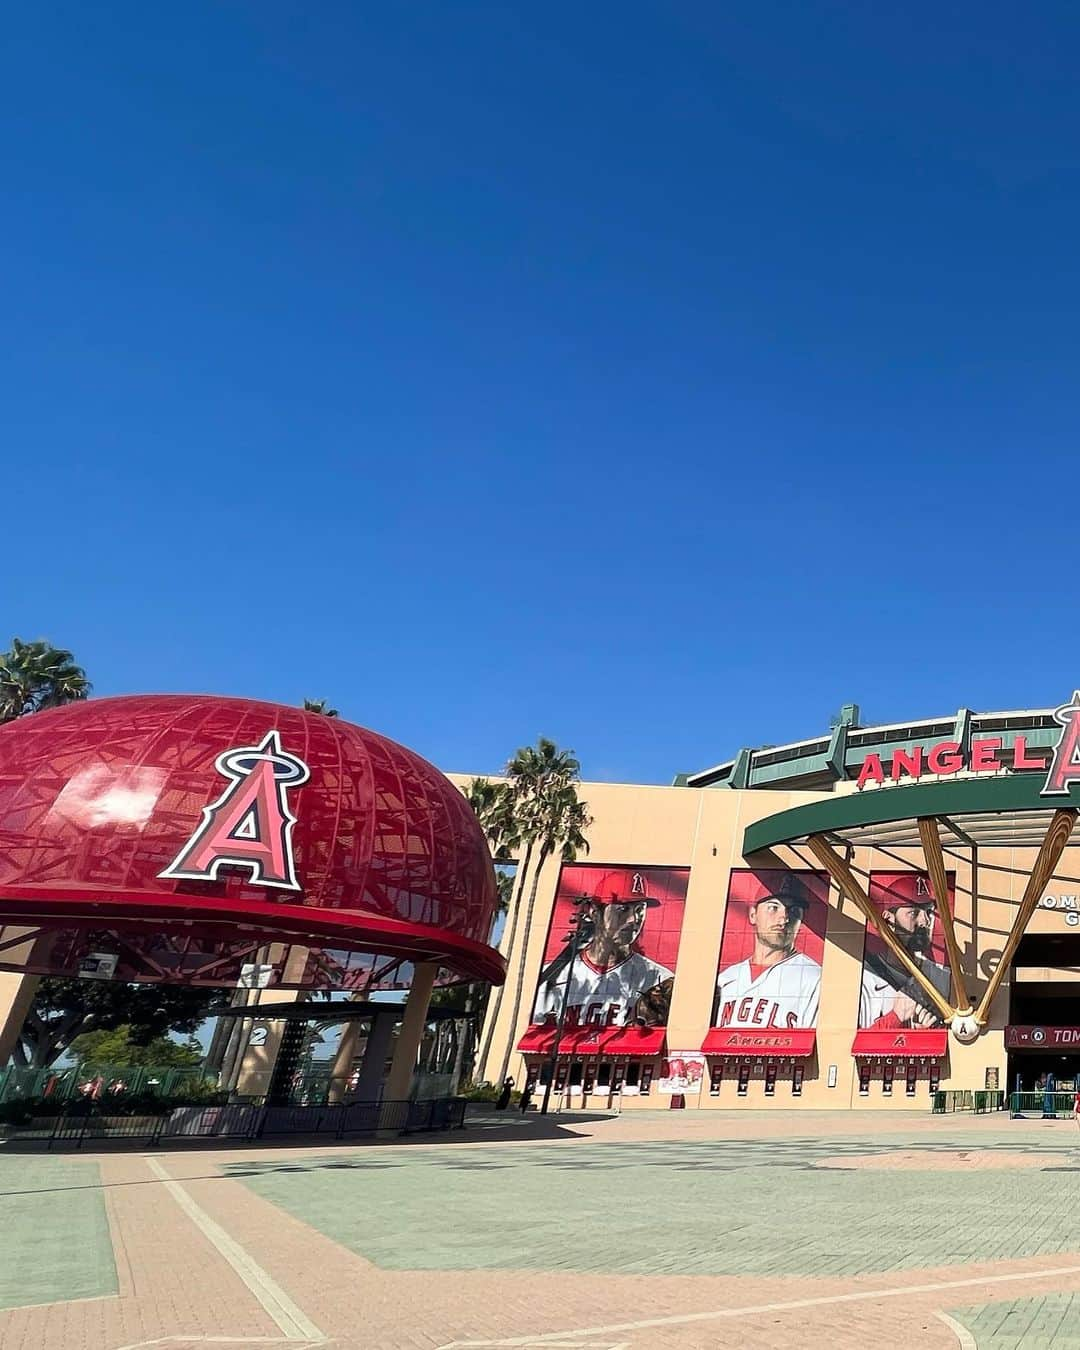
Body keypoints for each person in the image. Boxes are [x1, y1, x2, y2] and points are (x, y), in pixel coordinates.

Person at [531, 871, 674, 1028]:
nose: (634, 919)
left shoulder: (660, 979)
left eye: (640, 910)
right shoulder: (552, 976)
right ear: (594, 912)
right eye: (623, 909)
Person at [714, 874, 822, 1029]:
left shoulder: (814, 978)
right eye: (773, 908)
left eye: (794, 911)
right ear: (753, 915)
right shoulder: (726, 979)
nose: (784, 918)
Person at [859, 877, 951, 1029]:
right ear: (889, 921)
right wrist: (896, 1017)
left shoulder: (942, 978)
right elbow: (851, 1048)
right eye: (914, 912)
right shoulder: (864, 981)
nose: (925, 921)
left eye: (928, 912)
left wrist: (929, 1035)